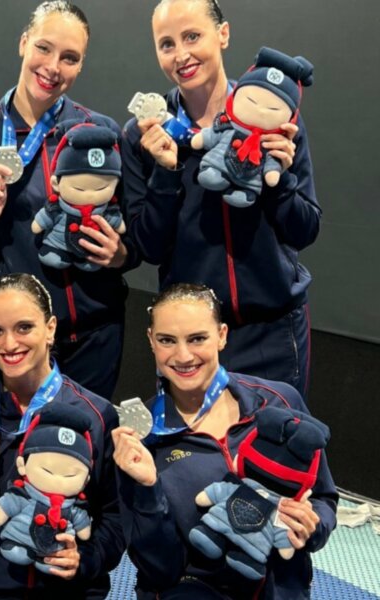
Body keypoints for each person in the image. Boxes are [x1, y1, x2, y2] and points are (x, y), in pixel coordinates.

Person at [0, 0, 138, 400]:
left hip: (92, 335)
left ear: (81, 65)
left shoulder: (100, 133)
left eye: (69, 57)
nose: (53, 67)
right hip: (16, 343)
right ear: (23, 43)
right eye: (44, 48)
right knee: (18, 458)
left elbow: (134, 240)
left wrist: (120, 255)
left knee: (84, 456)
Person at [120, 0, 320, 398]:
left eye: (192, 36)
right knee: (191, 459)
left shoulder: (275, 119)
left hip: (272, 331)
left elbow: (305, 228)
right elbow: (149, 246)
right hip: (189, 342)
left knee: (270, 455)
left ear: (223, 35)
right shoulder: (145, 134)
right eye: (167, 44)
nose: (182, 55)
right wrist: (166, 170)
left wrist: (278, 183)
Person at [113, 283, 337, 599]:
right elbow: (158, 569)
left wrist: (311, 529)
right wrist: (148, 488)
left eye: (197, 338)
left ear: (222, 335)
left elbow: (325, 498)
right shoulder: (140, 437)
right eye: (167, 340)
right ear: (151, 340)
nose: (183, 355)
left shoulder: (279, 403)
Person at [0, 273, 125, 599]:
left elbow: (116, 519)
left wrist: (85, 559)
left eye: (24, 327)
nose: (9, 345)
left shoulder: (96, 417)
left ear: (50, 329)